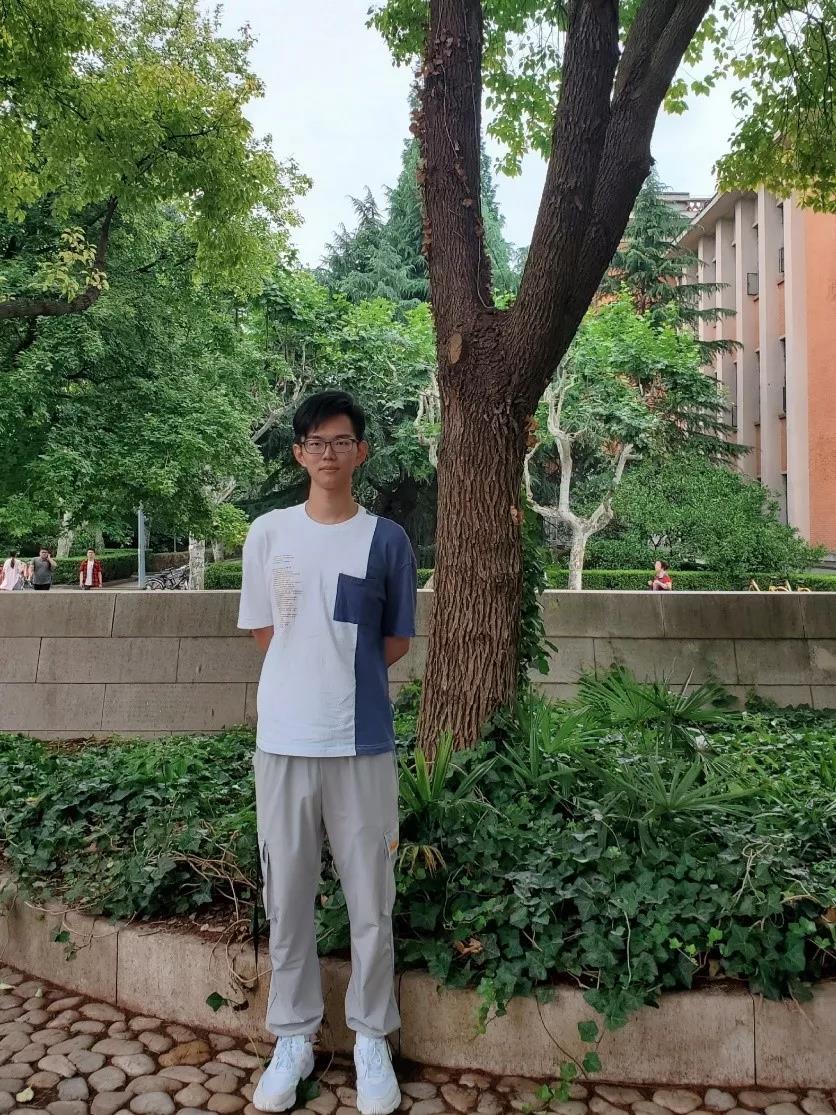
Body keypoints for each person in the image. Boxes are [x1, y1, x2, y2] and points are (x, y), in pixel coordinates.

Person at [238, 390, 416, 1115]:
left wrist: (342, 678)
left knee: (371, 900)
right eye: (316, 441)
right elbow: (264, 632)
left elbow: (394, 641)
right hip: (283, 740)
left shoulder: (387, 540)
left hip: (362, 742)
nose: (328, 453)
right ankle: (294, 1036)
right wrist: (306, 678)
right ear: (299, 453)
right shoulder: (268, 533)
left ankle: (371, 1036)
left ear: (360, 451)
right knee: (287, 897)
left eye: (342, 441)